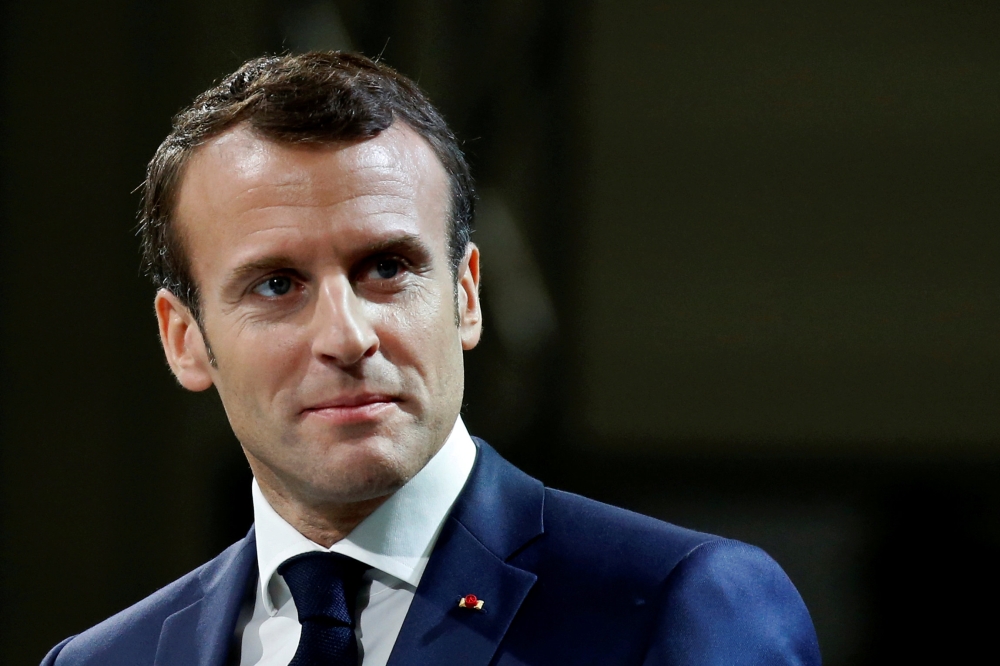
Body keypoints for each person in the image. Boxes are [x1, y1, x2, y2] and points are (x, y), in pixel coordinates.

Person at [41, 52, 821, 666]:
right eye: (277, 284)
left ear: (466, 296)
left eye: (386, 268)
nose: (347, 337)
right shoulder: (106, 660)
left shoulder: (674, 606)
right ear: (185, 339)